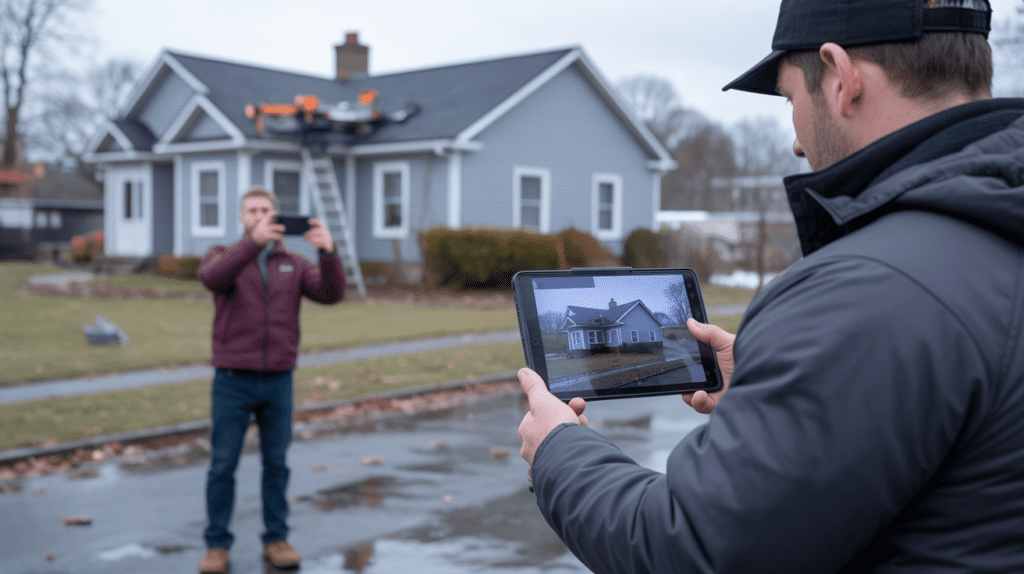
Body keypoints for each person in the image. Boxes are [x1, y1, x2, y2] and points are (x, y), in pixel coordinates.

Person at [517, 0, 1024, 571]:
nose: (797, 143)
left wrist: (558, 450)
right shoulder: (993, 226)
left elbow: (690, 548)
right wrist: (782, 384)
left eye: (789, 99)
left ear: (841, 77)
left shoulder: (867, 288)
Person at [196, 187, 345, 573]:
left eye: (266, 210)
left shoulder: (293, 264)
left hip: (278, 380)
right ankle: (216, 545)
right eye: (252, 211)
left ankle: (276, 539)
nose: (259, 216)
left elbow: (331, 294)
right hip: (232, 381)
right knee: (222, 465)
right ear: (241, 218)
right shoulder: (222, 256)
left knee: (276, 465)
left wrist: (328, 254)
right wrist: (252, 245)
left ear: (276, 216)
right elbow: (211, 279)